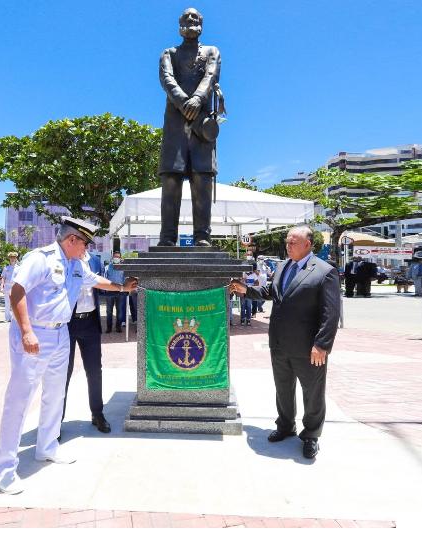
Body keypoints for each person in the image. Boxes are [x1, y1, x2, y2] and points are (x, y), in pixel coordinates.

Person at [0, 217, 138, 494]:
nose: (86, 249)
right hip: (35, 333)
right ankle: (5, 468)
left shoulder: (75, 264)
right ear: (72, 240)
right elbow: (17, 291)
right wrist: (26, 331)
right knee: (19, 400)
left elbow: (96, 281)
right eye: (84, 243)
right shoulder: (41, 259)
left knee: (56, 393)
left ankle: (47, 448)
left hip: (61, 333)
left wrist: (123, 288)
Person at [229, 226, 340, 459]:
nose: (288, 246)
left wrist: (322, 345)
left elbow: (330, 314)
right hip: (279, 343)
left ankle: (311, 435)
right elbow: (272, 291)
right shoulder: (283, 266)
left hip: (309, 348)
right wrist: (246, 290)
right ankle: (286, 425)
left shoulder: (324, 271)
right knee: (283, 389)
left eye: (293, 242)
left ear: (308, 244)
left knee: (313, 393)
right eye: (287, 242)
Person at [156, 8, 222, 248]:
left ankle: (202, 236)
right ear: (179, 24)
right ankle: (167, 237)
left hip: (201, 127)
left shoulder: (212, 51)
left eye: (195, 18)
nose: (191, 20)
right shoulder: (169, 53)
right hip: (175, 126)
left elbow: (211, 75)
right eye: (186, 18)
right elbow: (166, 79)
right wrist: (185, 102)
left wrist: (197, 99)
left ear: (201, 24)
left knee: (202, 181)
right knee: (170, 181)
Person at [61, 248, 112, 438]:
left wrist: (123, 287)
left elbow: (102, 285)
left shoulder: (95, 261)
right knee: (63, 373)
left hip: (90, 322)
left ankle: (97, 413)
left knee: (95, 370)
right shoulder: (66, 260)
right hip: (68, 322)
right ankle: (55, 421)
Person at [103, 252, 128, 333]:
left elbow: (125, 279)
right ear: (112, 257)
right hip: (109, 292)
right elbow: (105, 278)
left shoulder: (123, 268)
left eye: (118, 257)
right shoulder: (107, 267)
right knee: (109, 311)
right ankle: (109, 327)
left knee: (119, 311)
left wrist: (124, 288)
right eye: (115, 256)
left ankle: (118, 327)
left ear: (120, 258)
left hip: (120, 292)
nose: (116, 258)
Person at [1, 252, 19, 322]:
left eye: (14, 257)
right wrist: (1, 287)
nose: (12, 259)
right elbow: (3, 278)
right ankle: (7, 318)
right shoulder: (6, 268)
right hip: (7, 287)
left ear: (16, 258)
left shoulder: (19, 268)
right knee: (7, 303)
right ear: (9, 258)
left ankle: (14, 318)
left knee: (15, 303)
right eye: (11, 257)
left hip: (15, 287)